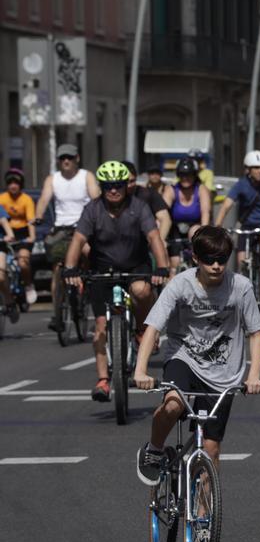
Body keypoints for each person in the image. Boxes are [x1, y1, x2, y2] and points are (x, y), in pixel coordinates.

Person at [133, 226, 260, 482]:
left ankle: (205, 518)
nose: (216, 266)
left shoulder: (241, 287)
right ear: (195, 258)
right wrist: (141, 371)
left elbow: (256, 332)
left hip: (224, 373)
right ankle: (155, 449)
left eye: (222, 260)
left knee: (211, 449)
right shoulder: (180, 285)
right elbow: (152, 329)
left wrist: (254, 375)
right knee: (173, 404)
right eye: (209, 260)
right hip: (184, 358)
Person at [61, 161, 169, 402]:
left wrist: (162, 267)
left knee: (142, 291)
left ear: (125, 186)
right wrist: (70, 269)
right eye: (108, 186)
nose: (113, 190)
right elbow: (78, 240)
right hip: (103, 270)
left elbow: (153, 237)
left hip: (135, 266)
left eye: (118, 185)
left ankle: (142, 330)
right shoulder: (92, 209)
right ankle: (103, 380)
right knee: (100, 328)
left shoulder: (139, 207)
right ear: (102, 187)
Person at [35, 144, 100, 329]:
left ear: (77, 158)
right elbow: (43, 199)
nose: (66, 161)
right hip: (61, 228)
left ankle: (92, 297)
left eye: (69, 157)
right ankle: (57, 313)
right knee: (58, 268)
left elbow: (95, 198)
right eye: (62, 157)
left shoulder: (86, 176)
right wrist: (38, 216)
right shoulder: (53, 179)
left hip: (84, 227)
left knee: (92, 257)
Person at [214, 150, 260, 270]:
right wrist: (218, 226)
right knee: (241, 261)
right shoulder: (241, 184)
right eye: (256, 167)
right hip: (246, 227)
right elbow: (226, 205)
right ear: (248, 169)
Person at [162, 157, 212, 272]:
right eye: (182, 175)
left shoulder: (201, 189)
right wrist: (162, 238)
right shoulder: (171, 189)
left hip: (194, 227)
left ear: (195, 175)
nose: (185, 178)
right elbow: (162, 212)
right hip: (174, 229)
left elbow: (205, 212)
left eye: (189, 175)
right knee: (174, 265)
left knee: (195, 232)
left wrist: (204, 234)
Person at [1, 168, 38, 306]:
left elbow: (31, 220)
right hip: (6, 234)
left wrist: (32, 237)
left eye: (16, 182)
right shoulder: (2, 198)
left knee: (23, 262)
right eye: (10, 182)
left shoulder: (26, 199)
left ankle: (28, 285)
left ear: (21, 184)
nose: (13, 185)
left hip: (23, 234)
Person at [124, 161, 172, 244]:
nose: (128, 185)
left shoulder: (149, 193)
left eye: (132, 181)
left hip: (146, 240)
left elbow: (165, 219)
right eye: (125, 181)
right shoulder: (111, 196)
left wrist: (158, 243)